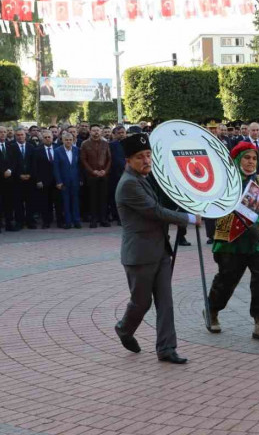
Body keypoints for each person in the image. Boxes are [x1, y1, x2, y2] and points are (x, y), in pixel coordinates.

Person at [114, 133, 200, 364]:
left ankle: (166, 349)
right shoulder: (129, 184)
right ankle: (124, 329)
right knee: (141, 303)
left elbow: (162, 205)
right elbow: (156, 211)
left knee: (165, 302)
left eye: (148, 155)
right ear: (128, 161)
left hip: (160, 251)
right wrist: (189, 218)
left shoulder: (142, 178)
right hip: (140, 256)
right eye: (140, 157)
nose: (146, 161)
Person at [206, 142, 259, 342]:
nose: (250, 162)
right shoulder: (225, 182)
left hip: (257, 238)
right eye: (247, 157)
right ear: (237, 159)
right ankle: (212, 310)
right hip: (231, 239)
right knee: (226, 280)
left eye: (254, 158)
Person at [80, 124, 111, 228]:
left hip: (103, 175)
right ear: (90, 131)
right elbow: (83, 160)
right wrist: (93, 171)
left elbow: (109, 159)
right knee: (92, 199)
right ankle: (93, 220)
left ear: (101, 131)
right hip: (91, 176)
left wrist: (105, 171)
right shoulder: (85, 144)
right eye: (94, 130)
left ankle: (103, 219)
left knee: (103, 198)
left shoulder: (105, 143)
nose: (96, 132)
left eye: (97, 130)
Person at [53, 131, 82, 229]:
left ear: (73, 140)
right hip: (64, 181)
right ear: (63, 140)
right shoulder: (57, 151)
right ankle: (68, 222)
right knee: (65, 202)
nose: (68, 141)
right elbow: (56, 168)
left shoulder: (77, 150)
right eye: (66, 140)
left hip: (75, 180)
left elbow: (80, 166)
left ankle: (76, 221)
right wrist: (58, 181)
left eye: (70, 140)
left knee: (75, 201)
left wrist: (80, 179)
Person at [33, 130, 61, 228]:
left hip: (57, 180)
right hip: (44, 181)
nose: (47, 139)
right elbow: (35, 167)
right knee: (45, 202)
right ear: (42, 139)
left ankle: (60, 221)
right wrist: (38, 180)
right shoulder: (37, 150)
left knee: (58, 201)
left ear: (52, 137)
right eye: (45, 137)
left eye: (49, 137)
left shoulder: (58, 148)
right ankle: (46, 221)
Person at [12, 127, 37, 229]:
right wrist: (19, 175)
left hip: (30, 179)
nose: (20, 136)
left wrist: (30, 174)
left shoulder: (31, 147)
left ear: (25, 136)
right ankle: (19, 222)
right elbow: (12, 163)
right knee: (18, 202)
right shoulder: (11, 147)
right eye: (18, 135)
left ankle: (30, 221)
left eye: (22, 135)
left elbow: (34, 163)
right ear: (15, 136)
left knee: (30, 201)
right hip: (17, 180)